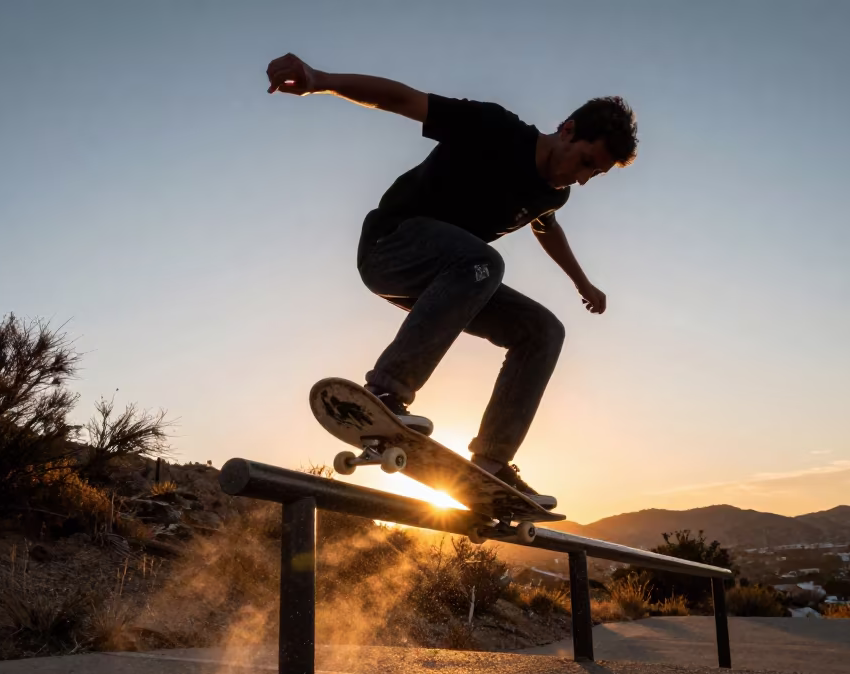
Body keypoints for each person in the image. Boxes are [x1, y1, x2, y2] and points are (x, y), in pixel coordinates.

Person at [266, 53, 637, 510]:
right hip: (390, 247)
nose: (579, 179)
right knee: (484, 261)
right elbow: (403, 99)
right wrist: (320, 80)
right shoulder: (494, 127)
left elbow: (546, 225)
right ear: (567, 131)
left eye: (592, 174)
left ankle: (493, 464)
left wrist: (582, 283)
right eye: (584, 161)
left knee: (543, 331)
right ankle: (386, 391)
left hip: (449, 282)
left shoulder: (552, 192)